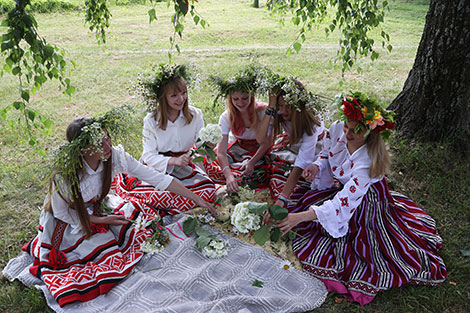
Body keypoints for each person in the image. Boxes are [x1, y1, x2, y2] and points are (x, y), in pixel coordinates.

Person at [22, 112, 214, 307]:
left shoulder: (115, 157)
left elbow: (156, 178)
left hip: (98, 206)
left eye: (107, 138)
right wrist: (102, 221)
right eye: (98, 144)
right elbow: (62, 213)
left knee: (140, 231)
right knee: (97, 254)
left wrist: (197, 199)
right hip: (69, 218)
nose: (107, 147)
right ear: (81, 151)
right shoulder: (64, 176)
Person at [277, 93, 447, 305]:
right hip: (344, 191)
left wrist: (300, 218)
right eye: (347, 127)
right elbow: (327, 154)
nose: (347, 133)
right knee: (312, 215)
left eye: (355, 131)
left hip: (367, 201)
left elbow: (343, 202)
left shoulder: (367, 161)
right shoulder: (339, 128)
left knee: (361, 245)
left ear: (369, 131)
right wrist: (317, 166)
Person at [111, 64, 216, 215]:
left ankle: (171, 205)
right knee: (161, 194)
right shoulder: (152, 120)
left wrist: (210, 143)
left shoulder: (195, 115)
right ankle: (163, 205)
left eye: (184, 93)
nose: (181, 99)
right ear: (163, 98)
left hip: (185, 167)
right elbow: (148, 155)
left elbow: (201, 146)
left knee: (208, 191)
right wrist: (173, 161)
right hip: (158, 167)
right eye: (174, 95)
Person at [257, 77, 325, 206]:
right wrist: (271, 107)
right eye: (280, 105)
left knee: (300, 184)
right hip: (293, 144)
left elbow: (303, 160)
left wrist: (283, 197)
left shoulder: (310, 123)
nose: (284, 111)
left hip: (316, 148)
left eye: (289, 106)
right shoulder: (278, 112)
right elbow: (260, 138)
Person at [203, 66, 272, 192]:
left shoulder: (263, 112)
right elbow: (221, 152)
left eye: (245, 98)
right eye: (236, 99)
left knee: (262, 173)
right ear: (230, 99)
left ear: (251, 96)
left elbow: (267, 142)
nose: (240, 103)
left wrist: (251, 163)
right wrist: (228, 175)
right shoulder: (227, 116)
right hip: (239, 151)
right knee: (210, 165)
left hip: (262, 152)